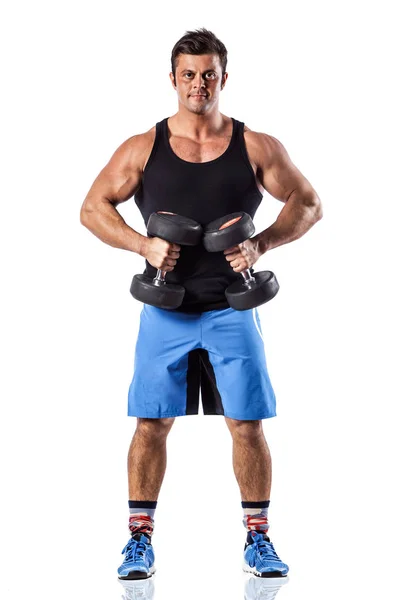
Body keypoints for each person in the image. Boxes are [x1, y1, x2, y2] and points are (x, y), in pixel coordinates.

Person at [80, 27, 323, 580]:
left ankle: (258, 541)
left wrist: (260, 243)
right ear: (173, 79)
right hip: (164, 312)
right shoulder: (144, 146)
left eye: (208, 73)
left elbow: (308, 203)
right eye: (188, 74)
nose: (198, 84)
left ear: (223, 78)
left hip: (231, 312)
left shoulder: (254, 145)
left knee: (248, 424)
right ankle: (139, 541)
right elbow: (92, 207)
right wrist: (142, 243)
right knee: (149, 424)